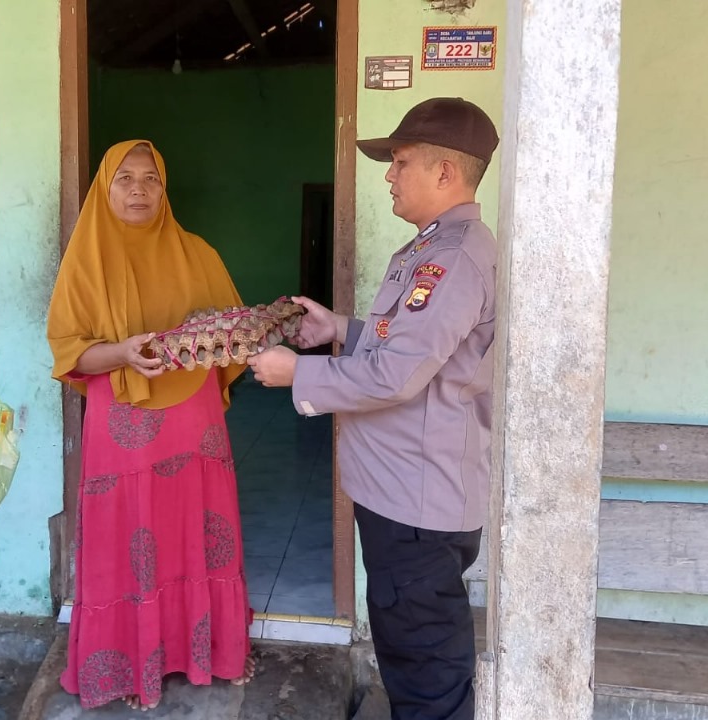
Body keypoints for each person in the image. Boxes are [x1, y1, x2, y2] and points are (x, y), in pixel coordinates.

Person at [248, 97, 500, 720]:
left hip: (416, 503)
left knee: (428, 680)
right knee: (412, 659)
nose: (389, 174)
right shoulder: (430, 248)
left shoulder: (451, 259)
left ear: (445, 172)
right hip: (401, 492)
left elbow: (396, 376)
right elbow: (412, 348)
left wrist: (295, 372)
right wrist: (341, 328)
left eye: (401, 161)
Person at [47, 139, 255, 711]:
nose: (139, 190)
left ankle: (212, 649)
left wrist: (221, 335)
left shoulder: (198, 253)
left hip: (193, 417)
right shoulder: (86, 261)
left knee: (198, 525)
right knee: (130, 530)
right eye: (125, 178)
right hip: (123, 422)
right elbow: (68, 351)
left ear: (164, 188)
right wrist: (121, 353)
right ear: (105, 188)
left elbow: (233, 334)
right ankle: (135, 663)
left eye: (150, 179)